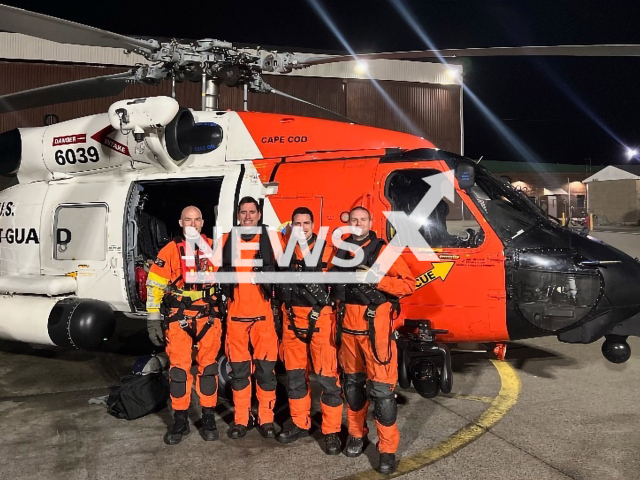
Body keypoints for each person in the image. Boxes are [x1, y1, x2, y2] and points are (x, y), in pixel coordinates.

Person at [333, 206, 415, 474]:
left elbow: (408, 285)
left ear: (371, 222)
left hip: (375, 335)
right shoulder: (342, 250)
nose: (358, 224)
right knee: (353, 390)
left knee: (383, 395)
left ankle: (387, 450)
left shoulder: (384, 251)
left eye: (362, 220)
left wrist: (376, 279)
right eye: (353, 220)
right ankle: (357, 435)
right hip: (347, 333)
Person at [146, 206, 222, 444]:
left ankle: (208, 417)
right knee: (179, 372)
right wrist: (152, 320)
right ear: (180, 222)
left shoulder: (215, 248)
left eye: (196, 219)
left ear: (202, 222)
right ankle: (181, 421)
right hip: (179, 318)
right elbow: (154, 286)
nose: (192, 224)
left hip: (209, 316)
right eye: (187, 220)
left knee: (208, 369)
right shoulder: (170, 250)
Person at [276, 207, 343, 454]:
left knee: (328, 378)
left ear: (313, 225)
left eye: (306, 223)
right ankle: (298, 422)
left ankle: (332, 431)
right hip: (291, 319)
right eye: (297, 223)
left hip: (321, 319)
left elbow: (339, 285)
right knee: (294, 377)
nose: (301, 228)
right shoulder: (283, 247)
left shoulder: (328, 250)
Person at [220, 196, 279, 440]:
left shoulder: (272, 241)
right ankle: (241, 420)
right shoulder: (226, 241)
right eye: (243, 212)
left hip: (263, 319)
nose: (247, 216)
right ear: (237, 215)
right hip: (236, 319)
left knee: (266, 373)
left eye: (251, 212)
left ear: (259, 215)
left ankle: (266, 420)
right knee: (240, 374)